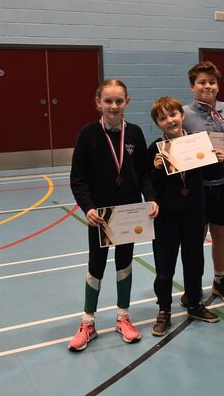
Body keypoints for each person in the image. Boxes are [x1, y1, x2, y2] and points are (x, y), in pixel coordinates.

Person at [68, 78, 159, 352]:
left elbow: (144, 173)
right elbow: (78, 179)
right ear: (98, 103)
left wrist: (151, 199)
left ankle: (123, 317)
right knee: (96, 265)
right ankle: (88, 322)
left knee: (124, 264)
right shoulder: (87, 135)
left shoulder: (135, 133)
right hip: (101, 216)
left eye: (119, 101)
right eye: (108, 101)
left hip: (129, 213)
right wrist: (88, 208)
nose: (114, 105)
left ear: (127, 102)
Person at [148, 96, 224, 335]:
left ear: (181, 116)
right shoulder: (156, 149)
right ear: (158, 123)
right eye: (162, 118)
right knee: (165, 266)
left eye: (173, 115)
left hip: (194, 212)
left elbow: (211, 174)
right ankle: (164, 310)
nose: (169, 120)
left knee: (194, 262)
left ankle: (194, 303)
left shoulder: (197, 142)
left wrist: (219, 160)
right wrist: (156, 168)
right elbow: (149, 183)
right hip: (166, 216)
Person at [182, 61, 224, 305]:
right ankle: (193, 285)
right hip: (198, 187)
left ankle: (220, 280)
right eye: (202, 82)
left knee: (221, 234)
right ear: (192, 86)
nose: (208, 86)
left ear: (218, 85)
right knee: (196, 238)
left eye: (212, 82)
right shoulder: (184, 113)